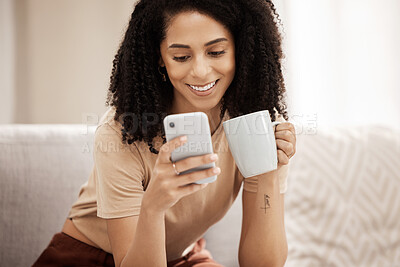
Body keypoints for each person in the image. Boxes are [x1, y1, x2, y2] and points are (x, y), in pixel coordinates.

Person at [33, 0, 296, 266]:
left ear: (240, 48)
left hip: (178, 257)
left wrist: (265, 176)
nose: (201, 72)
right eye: (181, 57)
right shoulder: (123, 132)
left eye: (216, 52)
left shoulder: (255, 122)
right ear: (160, 57)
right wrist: (153, 206)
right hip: (89, 256)